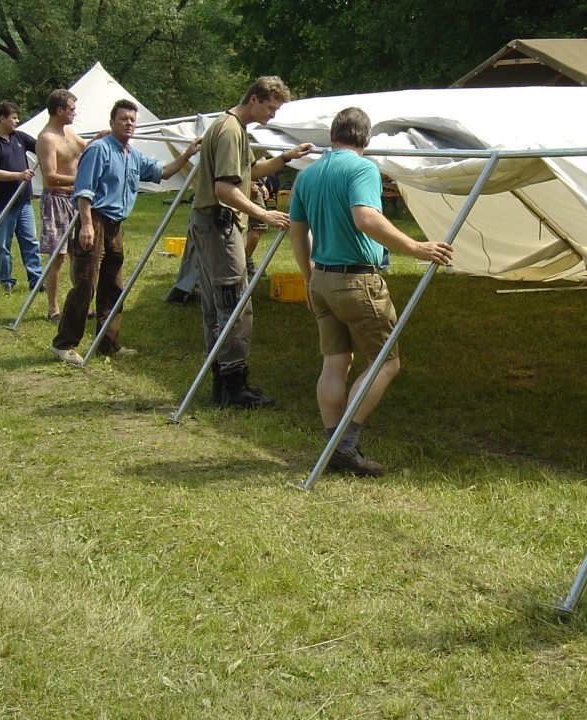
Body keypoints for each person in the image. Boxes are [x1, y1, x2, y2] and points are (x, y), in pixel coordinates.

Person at [288, 107, 453, 477]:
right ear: (366, 138)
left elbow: (296, 231)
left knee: (335, 363)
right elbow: (365, 218)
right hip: (357, 280)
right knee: (385, 362)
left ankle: (333, 444)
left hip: (322, 278)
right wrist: (417, 248)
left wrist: (308, 277)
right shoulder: (362, 168)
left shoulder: (308, 174)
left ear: (332, 136)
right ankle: (344, 446)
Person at [188, 76, 314, 408]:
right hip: (219, 225)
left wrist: (286, 156)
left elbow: (250, 171)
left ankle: (222, 382)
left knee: (218, 304)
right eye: (270, 108)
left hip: (211, 225)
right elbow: (224, 188)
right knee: (234, 304)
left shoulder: (231, 127)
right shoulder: (230, 131)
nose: (272, 115)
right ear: (254, 99)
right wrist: (264, 214)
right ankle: (233, 386)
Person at [50, 100, 201, 365]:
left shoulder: (133, 155)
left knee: (113, 286)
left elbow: (164, 172)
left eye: (132, 120)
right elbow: (84, 190)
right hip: (95, 220)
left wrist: (187, 154)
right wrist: (86, 224)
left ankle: (107, 343)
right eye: (123, 119)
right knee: (85, 285)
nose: (129, 124)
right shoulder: (99, 149)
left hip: (115, 226)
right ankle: (63, 344)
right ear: (112, 122)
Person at [35, 89, 93, 321]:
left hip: (75, 199)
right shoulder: (47, 138)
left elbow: (86, 147)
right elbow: (50, 177)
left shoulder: (68, 131)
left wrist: (104, 137)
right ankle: (53, 309)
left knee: (78, 254)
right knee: (57, 257)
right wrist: (82, 180)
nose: (75, 113)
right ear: (60, 111)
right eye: (72, 109)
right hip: (56, 200)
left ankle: (79, 305)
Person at [0, 101, 43, 294]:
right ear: (2, 119)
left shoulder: (20, 137)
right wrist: (18, 175)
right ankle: (6, 281)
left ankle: (36, 280)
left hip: (23, 202)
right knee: (3, 245)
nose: (17, 121)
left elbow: (42, 147)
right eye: (13, 118)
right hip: (3, 204)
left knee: (30, 243)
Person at [244, 172, 280, 277]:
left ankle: (243, 262)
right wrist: (251, 183)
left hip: (253, 182)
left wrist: (262, 185)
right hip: (249, 183)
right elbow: (247, 165)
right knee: (257, 225)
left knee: (254, 225)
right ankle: (244, 263)